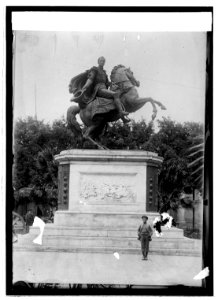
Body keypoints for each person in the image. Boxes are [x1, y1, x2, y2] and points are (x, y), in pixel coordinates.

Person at [81, 56, 130, 124]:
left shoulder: (104, 72)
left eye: (103, 61)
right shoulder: (95, 70)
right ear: (98, 62)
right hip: (98, 89)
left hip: (104, 88)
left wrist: (112, 84)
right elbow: (90, 79)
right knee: (115, 94)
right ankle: (121, 112)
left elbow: (107, 82)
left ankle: (122, 118)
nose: (102, 62)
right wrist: (85, 87)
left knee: (118, 94)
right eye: (101, 61)